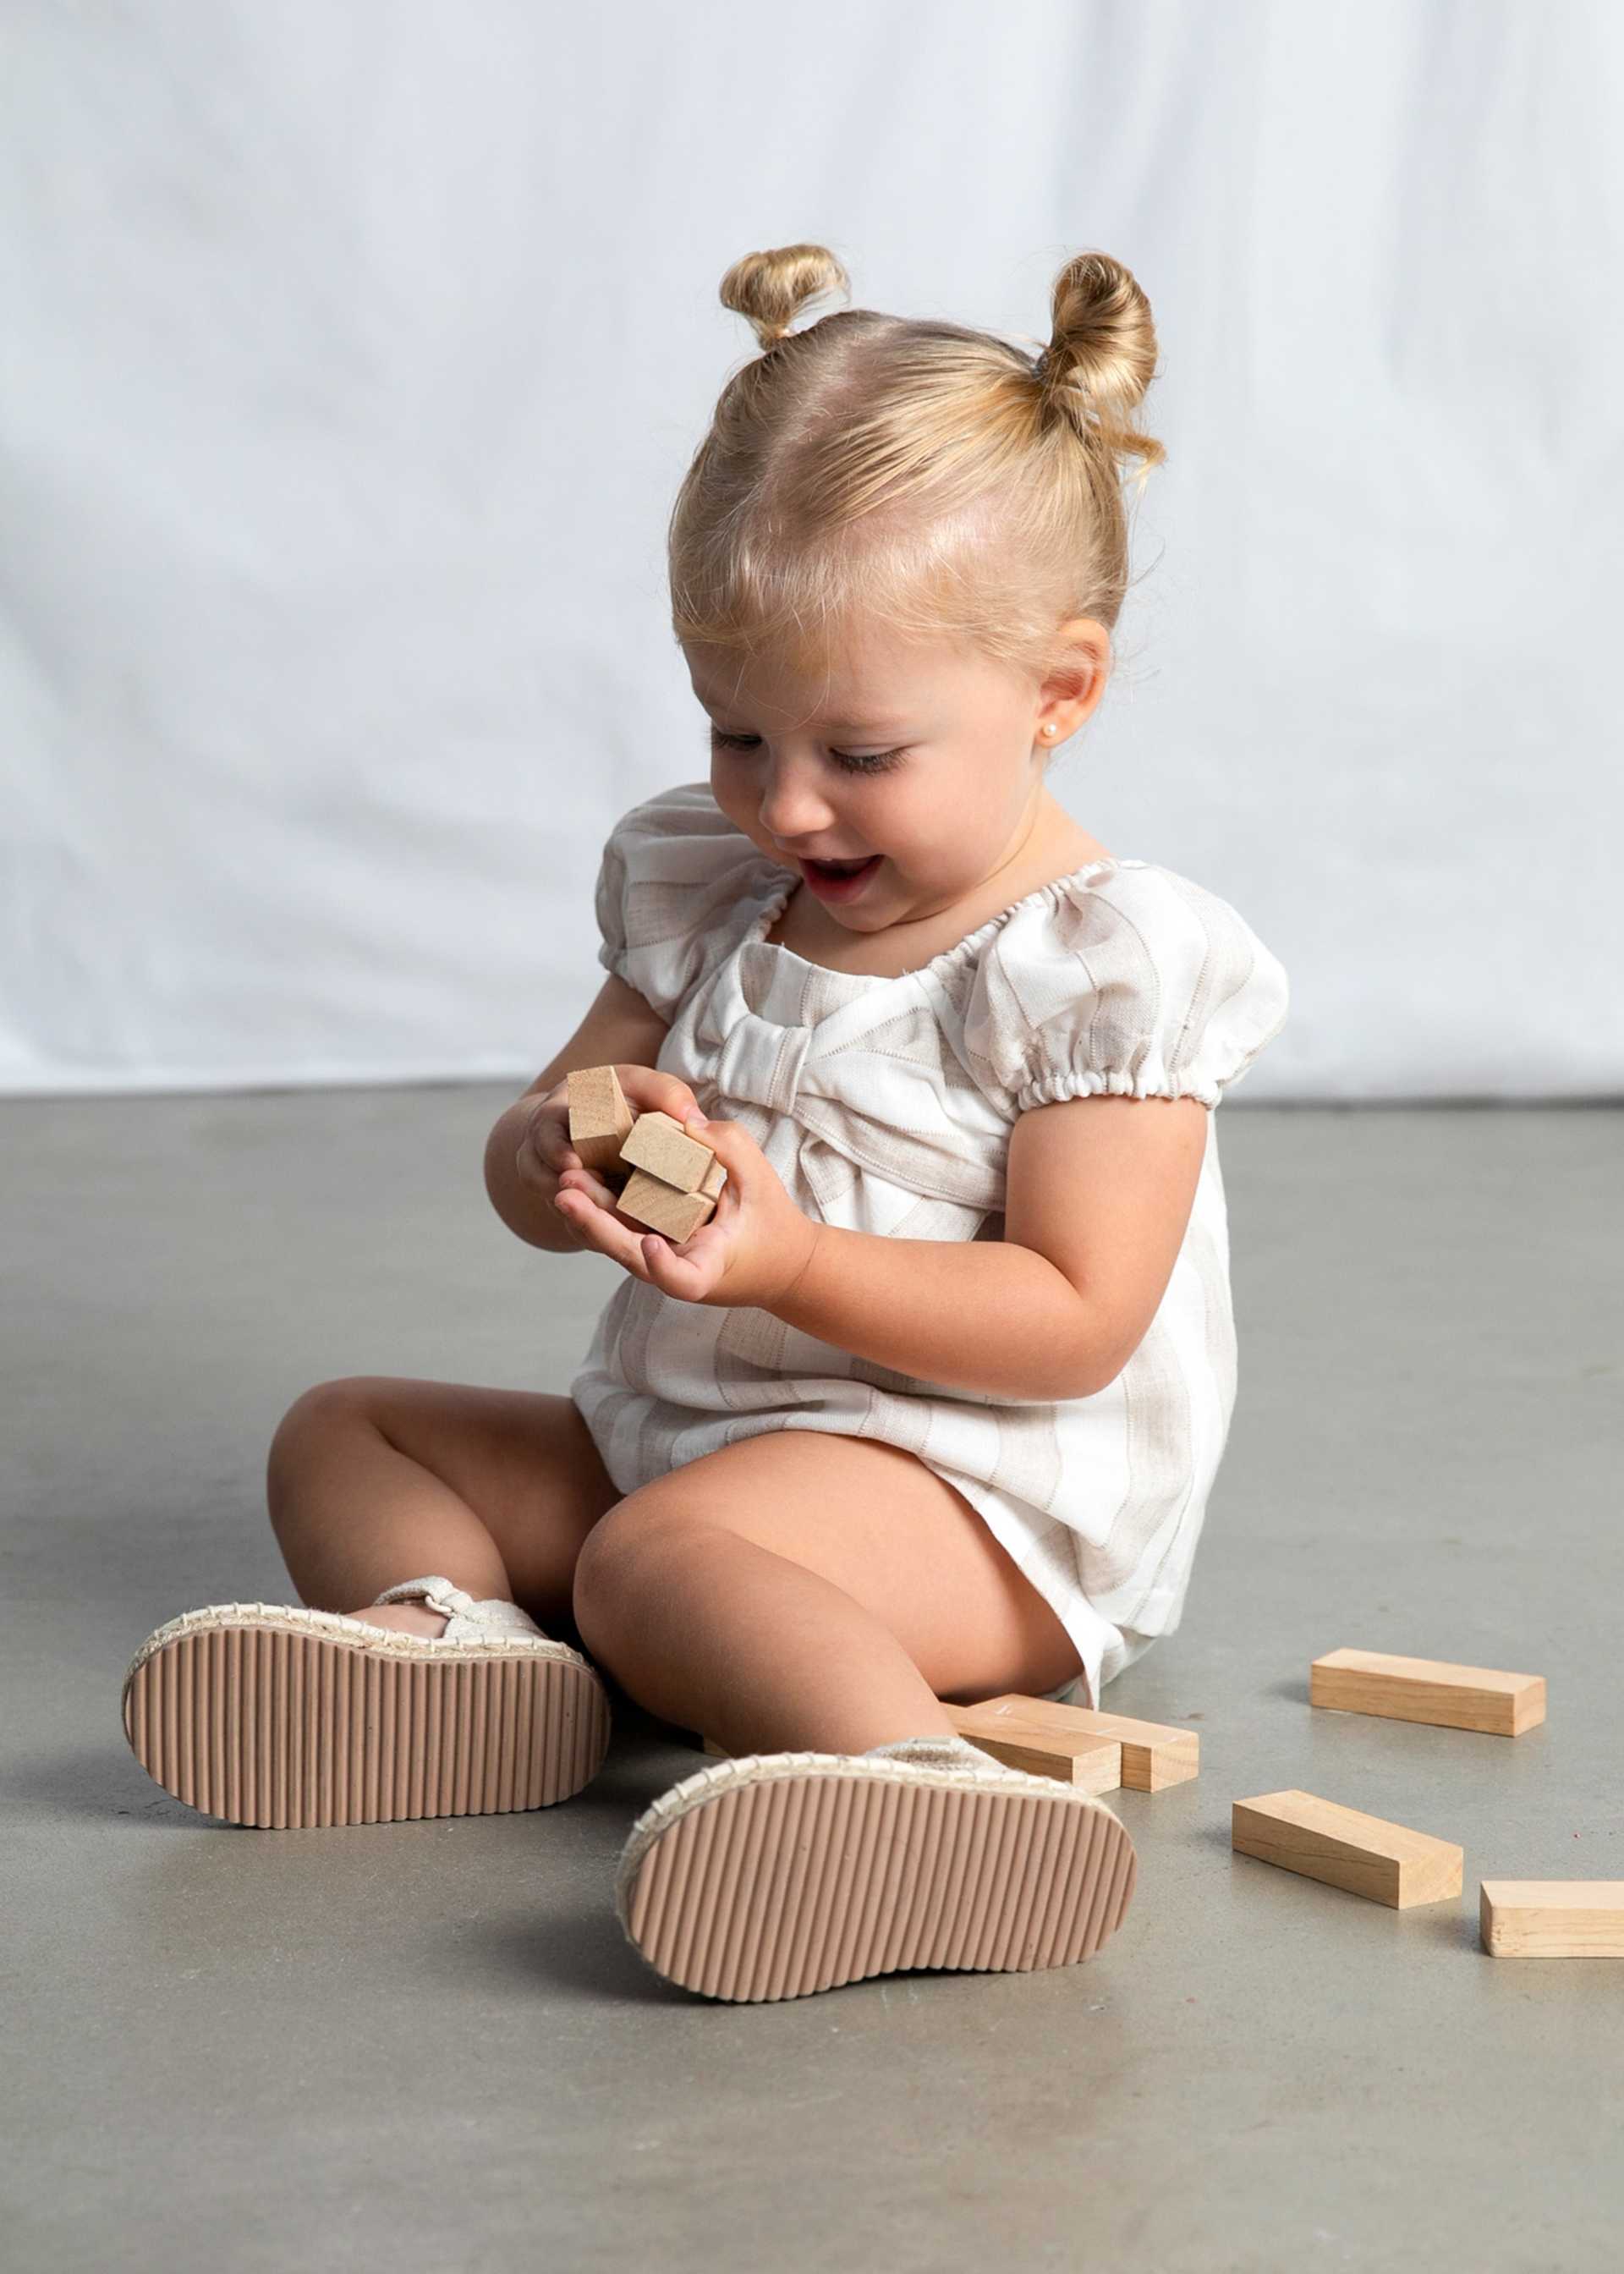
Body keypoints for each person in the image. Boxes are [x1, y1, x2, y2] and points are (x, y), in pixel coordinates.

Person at [122, 243, 1289, 2005]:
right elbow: (561, 1118)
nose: (787, 798)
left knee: (658, 1556)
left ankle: (920, 1795)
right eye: (737, 729)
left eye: (859, 750)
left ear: (1060, 692)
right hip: (693, 1443)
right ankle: (466, 1665)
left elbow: (1074, 1327)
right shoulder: (717, 884)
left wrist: (797, 1257)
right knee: (351, 1431)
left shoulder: (1096, 969)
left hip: (973, 1505)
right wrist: (545, 1153)